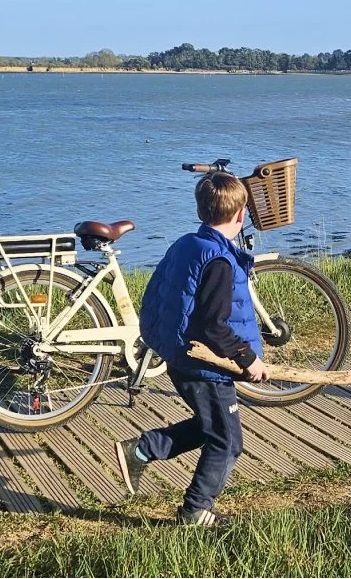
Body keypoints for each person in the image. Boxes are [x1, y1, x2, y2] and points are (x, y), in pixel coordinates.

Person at [114, 170, 270, 526]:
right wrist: (247, 359)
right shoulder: (219, 262)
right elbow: (214, 326)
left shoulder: (187, 244)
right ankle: (195, 510)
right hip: (204, 365)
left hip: (178, 357)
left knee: (209, 426)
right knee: (228, 442)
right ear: (241, 214)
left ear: (202, 211)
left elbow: (159, 296)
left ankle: (141, 450)